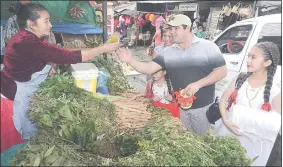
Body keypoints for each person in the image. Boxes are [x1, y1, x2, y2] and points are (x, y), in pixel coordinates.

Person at [0, 2, 119, 144]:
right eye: (46, 21)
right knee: (25, 144)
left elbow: (31, 61)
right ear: (31, 24)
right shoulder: (30, 43)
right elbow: (68, 57)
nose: (50, 25)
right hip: (14, 100)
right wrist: (102, 48)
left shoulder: (24, 37)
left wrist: (47, 66)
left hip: (11, 89)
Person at [116, 14, 227, 135]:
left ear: (188, 28)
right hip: (180, 109)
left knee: (204, 144)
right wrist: (130, 60)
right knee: (186, 143)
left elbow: (222, 71)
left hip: (203, 109)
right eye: (171, 28)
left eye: (176, 28)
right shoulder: (167, 53)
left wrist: (198, 84)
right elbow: (149, 68)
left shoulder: (208, 47)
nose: (172, 32)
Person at [216, 42, 281, 166]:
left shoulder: (275, 89)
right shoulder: (240, 78)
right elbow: (224, 100)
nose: (248, 60)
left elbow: (277, 122)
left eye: (253, 57)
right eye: (248, 56)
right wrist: (225, 120)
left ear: (267, 63)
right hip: (228, 134)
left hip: (254, 146)